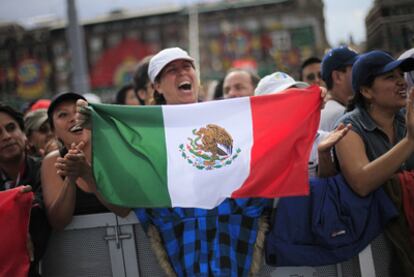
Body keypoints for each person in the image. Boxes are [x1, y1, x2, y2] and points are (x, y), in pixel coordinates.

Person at [335, 50, 414, 276]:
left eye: (401, 75)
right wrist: (410, 140)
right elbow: (361, 181)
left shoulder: (406, 117)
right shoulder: (348, 127)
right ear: (367, 91)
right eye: (390, 77)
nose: (401, 82)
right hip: (373, 243)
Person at [41, 92, 129, 230]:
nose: (74, 118)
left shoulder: (115, 151)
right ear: (53, 131)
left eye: (79, 111)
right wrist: (70, 178)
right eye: (63, 115)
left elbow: (125, 210)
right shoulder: (52, 161)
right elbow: (58, 222)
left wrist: (87, 174)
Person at [254, 71, 351, 177]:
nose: (293, 102)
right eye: (284, 97)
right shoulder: (253, 150)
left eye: (297, 95)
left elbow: (329, 188)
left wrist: (324, 154)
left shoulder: (324, 139)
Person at [0, 103, 50, 277]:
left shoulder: (46, 168)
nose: (6, 137)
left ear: (24, 134)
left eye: (11, 128)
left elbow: (45, 206)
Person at [320, 46, 359, 131]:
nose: (361, 71)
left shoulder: (331, 109)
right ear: (338, 77)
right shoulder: (339, 114)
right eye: (356, 67)